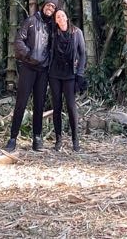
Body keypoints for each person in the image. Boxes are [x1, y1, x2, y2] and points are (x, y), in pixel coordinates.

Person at [4, 0, 59, 152]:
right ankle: (13, 138)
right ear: (44, 6)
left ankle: (37, 138)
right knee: (21, 103)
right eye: (48, 5)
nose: (50, 8)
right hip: (28, 68)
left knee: (39, 105)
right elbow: (19, 40)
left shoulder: (52, 26)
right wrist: (28, 55)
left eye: (53, 7)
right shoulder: (31, 21)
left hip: (43, 70)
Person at [48, 8, 86, 152]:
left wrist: (80, 73)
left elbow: (82, 54)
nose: (61, 18)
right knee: (56, 107)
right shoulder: (53, 33)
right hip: (54, 74)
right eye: (58, 17)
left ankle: (75, 140)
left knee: (71, 107)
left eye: (62, 15)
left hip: (70, 75)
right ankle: (58, 140)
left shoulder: (77, 33)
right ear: (55, 20)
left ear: (67, 17)